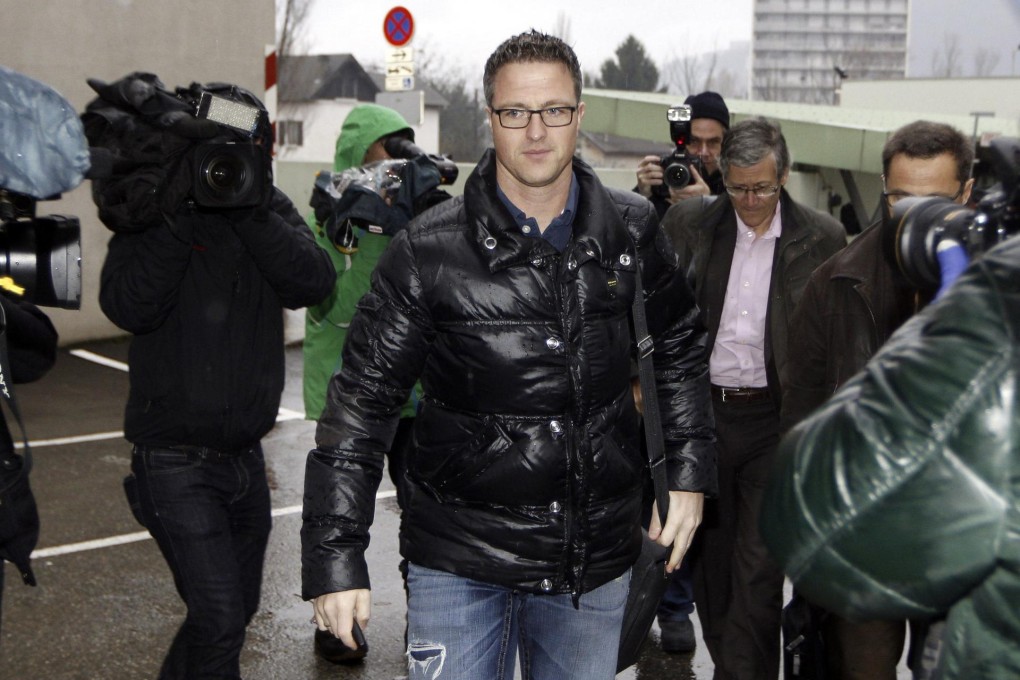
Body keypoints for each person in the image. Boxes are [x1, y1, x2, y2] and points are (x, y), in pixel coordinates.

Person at [301, 29, 716, 680]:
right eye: (515, 112)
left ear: (578, 117)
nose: (535, 131)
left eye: (553, 110)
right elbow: (361, 403)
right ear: (489, 119)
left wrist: (687, 473)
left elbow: (681, 346)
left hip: (593, 561)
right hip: (458, 562)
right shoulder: (426, 251)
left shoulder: (632, 229)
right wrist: (336, 555)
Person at [95, 79, 335, 679]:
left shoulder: (267, 208)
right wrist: (178, 217)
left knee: (229, 614)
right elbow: (127, 305)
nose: (224, 167)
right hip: (173, 459)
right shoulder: (155, 207)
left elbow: (313, 282)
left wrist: (253, 210)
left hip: (243, 460)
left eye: (244, 148)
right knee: (221, 617)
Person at [760, 233, 1020, 680]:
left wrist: (952, 334)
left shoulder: (991, 293)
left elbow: (799, 515)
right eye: (898, 196)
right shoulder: (840, 274)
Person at [778, 120, 974, 680]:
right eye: (899, 198)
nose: (914, 217)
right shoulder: (835, 281)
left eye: (934, 202)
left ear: (965, 195)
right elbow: (801, 417)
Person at [660, 116, 846, 680]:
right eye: (738, 187)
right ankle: (736, 666)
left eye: (762, 187)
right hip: (706, 417)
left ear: (783, 176)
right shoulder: (689, 223)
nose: (749, 200)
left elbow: (833, 339)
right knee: (714, 578)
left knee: (759, 573)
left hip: (777, 420)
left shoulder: (821, 238)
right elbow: (659, 311)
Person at [302, 103, 450, 663]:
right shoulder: (328, 207)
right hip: (346, 391)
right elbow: (323, 303)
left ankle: (430, 613)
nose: (394, 161)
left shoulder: (415, 209)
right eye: (385, 148)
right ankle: (334, 621)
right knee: (341, 511)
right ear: (357, 154)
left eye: (402, 147)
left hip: (414, 392)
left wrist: (419, 216)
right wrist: (340, 226)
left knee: (423, 508)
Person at [635, 91, 730, 219]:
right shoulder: (662, 176)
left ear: (724, 144)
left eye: (713, 142)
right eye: (694, 141)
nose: (703, 152)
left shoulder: (735, 185)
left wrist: (710, 204)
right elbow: (628, 233)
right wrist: (643, 196)